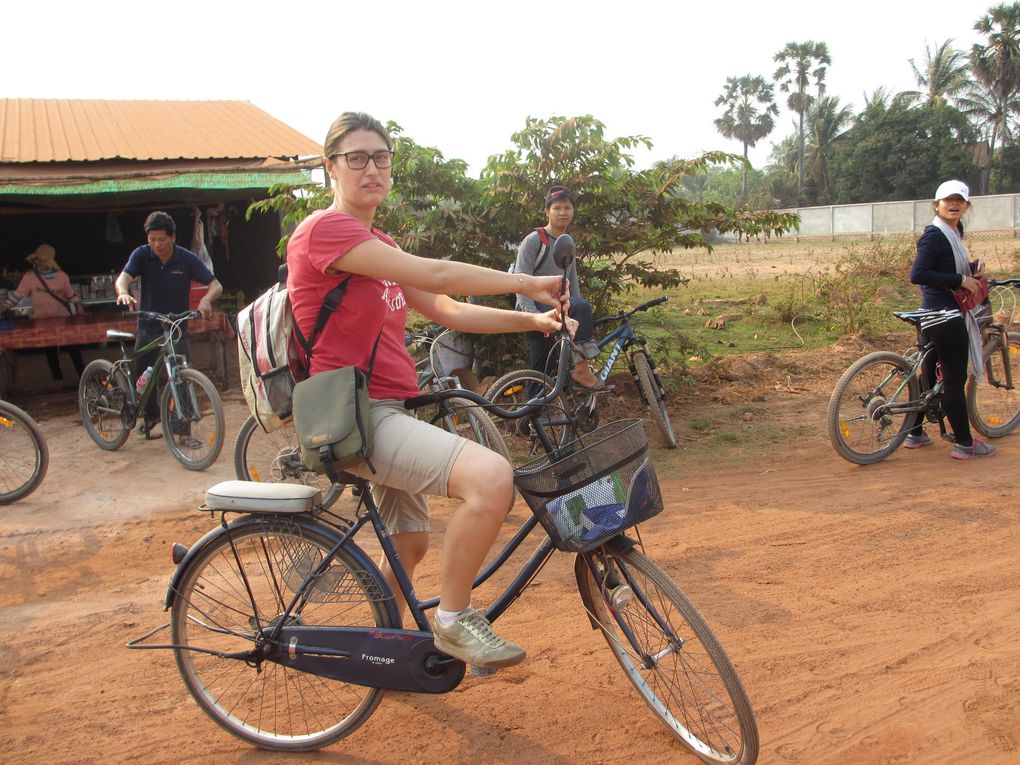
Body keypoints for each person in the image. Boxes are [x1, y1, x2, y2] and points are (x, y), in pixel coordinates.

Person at [287, 112, 571, 669]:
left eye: (382, 158)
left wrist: (532, 322)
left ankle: (384, 652)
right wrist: (526, 282)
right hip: (357, 417)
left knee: (412, 542)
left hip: (391, 410)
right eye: (357, 158)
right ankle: (453, 621)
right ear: (330, 167)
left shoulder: (377, 241)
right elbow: (438, 275)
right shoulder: (326, 231)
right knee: (492, 478)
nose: (373, 169)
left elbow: (444, 307)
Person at [906, 179, 996, 460]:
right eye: (948, 200)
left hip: (933, 313)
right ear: (936, 204)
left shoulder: (953, 232)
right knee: (954, 379)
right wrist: (961, 279)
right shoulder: (935, 235)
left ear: (967, 206)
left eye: (959, 200)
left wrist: (969, 269)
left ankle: (916, 433)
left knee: (929, 376)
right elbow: (918, 274)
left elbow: (942, 268)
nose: (954, 204)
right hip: (945, 315)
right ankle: (965, 444)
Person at [114, 211, 222, 439]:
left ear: (172, 238)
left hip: (176, 328)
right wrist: (123, 291)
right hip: (148, 326)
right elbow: (123, 277)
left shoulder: (186, 259)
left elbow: (216, 285)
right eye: (151, 240)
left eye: (161, 239)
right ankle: (150, 416)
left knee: (181, 377)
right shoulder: (142, 255)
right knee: (144, 378)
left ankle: (183, 433)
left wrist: (205, 299)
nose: (156, 244)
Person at [513, 185, 606, 390]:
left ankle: (547, 410)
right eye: (557, 208)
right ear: (547, 211)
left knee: (548, 369)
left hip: (557, 308)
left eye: (567, 207)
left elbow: (571, 286)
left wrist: (574, 315)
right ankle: (581, 371)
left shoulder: (567, 242)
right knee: (541, 367)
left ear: (573, 211)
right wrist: (534, 318)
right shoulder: (535, 241)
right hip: (533, 309)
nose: (562, 212)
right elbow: (520, 284)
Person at [13, 244, 85, 383]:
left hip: (64, 320)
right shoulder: (29, 278)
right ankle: (57, 378)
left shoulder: (62, 276)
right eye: (36, 259)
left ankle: (84, 375)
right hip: (43, 322)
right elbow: (16, 297)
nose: (37, 262)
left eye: (40, 259)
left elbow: (71, 296)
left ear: (47, 261)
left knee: (73, 347)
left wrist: (80, 308)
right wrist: (3, 307)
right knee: (50, 350)